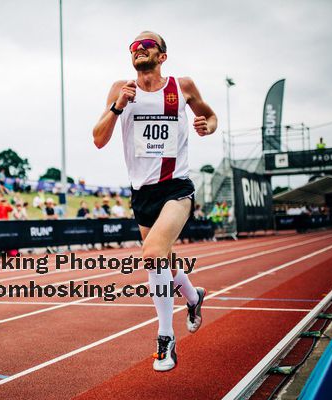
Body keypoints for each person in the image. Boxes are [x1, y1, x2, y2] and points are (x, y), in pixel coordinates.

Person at [92, 31, 217, 371]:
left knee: (151, 254)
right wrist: (118, 106)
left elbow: (211, 116)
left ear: (162, 55)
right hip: (142, 193)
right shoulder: (121, 88)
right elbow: (98, 139)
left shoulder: (183, 86)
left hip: (176, 187)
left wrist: (208, 125)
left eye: (147, 45)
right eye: (134, 46)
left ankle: (166, 336)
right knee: (164, 257)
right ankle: (193, 296)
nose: (139, 48)